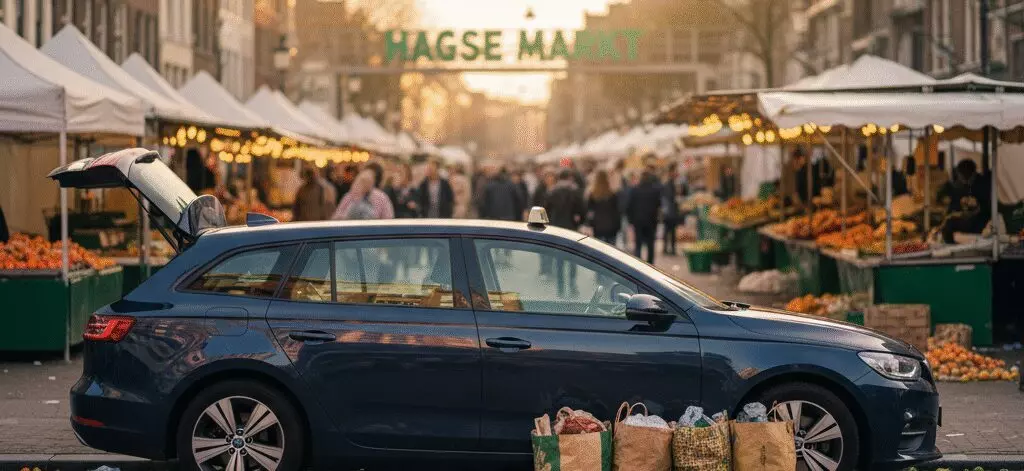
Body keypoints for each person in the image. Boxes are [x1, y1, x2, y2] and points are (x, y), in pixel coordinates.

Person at [939, 159, 991, 243]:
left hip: (979, 222)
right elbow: (951, 199)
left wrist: (975, 207)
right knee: (948, 224)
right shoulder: (958, 184)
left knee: (950, 224)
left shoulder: (982, 184)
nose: (959, 177)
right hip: (966, 219)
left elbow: (986, 206)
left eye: (960, 174)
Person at [626, 167, 662, 264]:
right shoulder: (655, 190)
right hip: (651, 220)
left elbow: (629, 206)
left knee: (638, 244)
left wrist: (631, 220)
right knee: (650, 244)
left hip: (638, 221)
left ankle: (638, 263)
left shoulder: (634, 190)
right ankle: (650, 264)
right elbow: (658, 204)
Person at [587, 170, 621, 245]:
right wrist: (618, 226)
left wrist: (590, 224)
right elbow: (616, 212)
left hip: (598, 227)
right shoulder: (612, 194)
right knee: (611, 249)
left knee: (599, 248)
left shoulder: (593, 195)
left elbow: (590, 212)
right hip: (611, 227)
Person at [662, 166, 684, 255]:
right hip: (670, 212)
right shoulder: (670, 184)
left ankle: (668, 249)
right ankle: (670, 249)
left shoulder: (669, 184)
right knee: (670, 231)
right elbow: (671, 197)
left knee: (669, 231)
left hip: (668, 211)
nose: (676, 174)